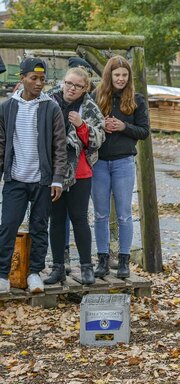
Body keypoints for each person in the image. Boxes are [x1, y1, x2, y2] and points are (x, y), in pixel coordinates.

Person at [0, 58, 67, 293]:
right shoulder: (7, 108)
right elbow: (1, 145)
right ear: (22, 78)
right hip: (16, 179)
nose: (39, 83)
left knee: (39, 227)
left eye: (42, 79)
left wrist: (57, 177)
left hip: (43, 180)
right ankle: (3, 275)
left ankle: (34, 274)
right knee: (8, 226)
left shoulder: (51, 107)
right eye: (34, 78)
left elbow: (60, 145)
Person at [43, 67, 105, 286]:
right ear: (63, 82)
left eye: (77, 86)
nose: (71, 88)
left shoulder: (89, 107)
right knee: (57, 221)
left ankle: (86, 266)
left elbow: (98, 139)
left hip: (80, 173)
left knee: (79, 219)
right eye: (69, 83)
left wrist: (81, 126)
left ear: (85, 88)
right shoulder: (48, 101)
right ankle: (58, 267)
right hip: (53, 173)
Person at [91, 56, 150, 279]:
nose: (121, 79)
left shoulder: (136, 100)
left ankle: (124, 260)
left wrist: (124, 126)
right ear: (109, 76)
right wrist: (101, 126)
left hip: (123, 162)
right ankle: (103, 259)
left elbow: (144, 132)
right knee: (100, 214)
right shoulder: (96, 96)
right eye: (117, 75)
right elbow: (85, 126)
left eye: (124, 75)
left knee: (124, 214)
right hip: (99, 163)